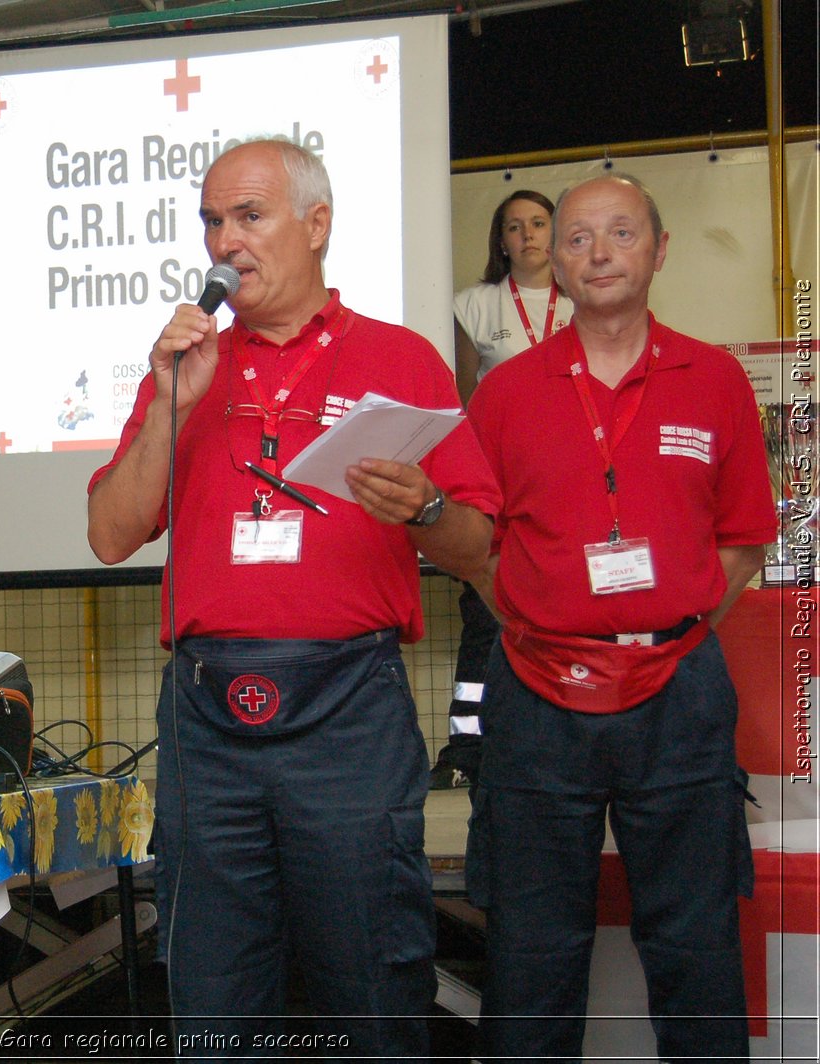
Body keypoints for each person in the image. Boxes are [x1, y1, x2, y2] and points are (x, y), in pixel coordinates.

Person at [87, 138, 500, 1056]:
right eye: (210, 221)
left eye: (249, 216)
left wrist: (425, 508)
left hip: (349, 708)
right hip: (206, 716)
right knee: (213, 984)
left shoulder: (402, 359)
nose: (223, 241)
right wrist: (170, 403)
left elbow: (479, 545)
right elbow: (111, 533)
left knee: (372, 976)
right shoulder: (190, 366)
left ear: (317, 226)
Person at [466, 174, 775, 1060]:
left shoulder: (714, 381)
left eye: (622, 234)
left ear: (660, 249)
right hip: (535, 694)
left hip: (678, 695)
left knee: (696, 945)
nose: (599, 253)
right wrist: (548, 622)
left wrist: (664, 635)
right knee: (531, 953)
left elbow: (745, 541)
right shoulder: (507, 393)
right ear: (552, 262)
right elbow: (479, 547)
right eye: (578, 238)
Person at [431, 190, 576, 789]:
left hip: (575, 478)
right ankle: (469, 749)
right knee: (487, 616)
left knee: (570, 608)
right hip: (504, 480)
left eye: (539, 223)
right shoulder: (473, 304)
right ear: (500, 240)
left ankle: (567, 735)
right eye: (514, 227)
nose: (528, 236)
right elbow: (463, 401)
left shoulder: (584, 301)